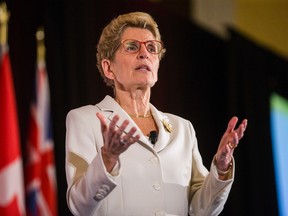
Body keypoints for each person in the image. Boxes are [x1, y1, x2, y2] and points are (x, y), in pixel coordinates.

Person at [65, 11, 248, 216]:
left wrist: (221, 169)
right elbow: (79, 207)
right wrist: (106, 159)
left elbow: (202, 210)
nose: (144, 54)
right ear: (109, 68)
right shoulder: (86, 119)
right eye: (132, 47)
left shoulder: (182, 129)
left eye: (152, 48)